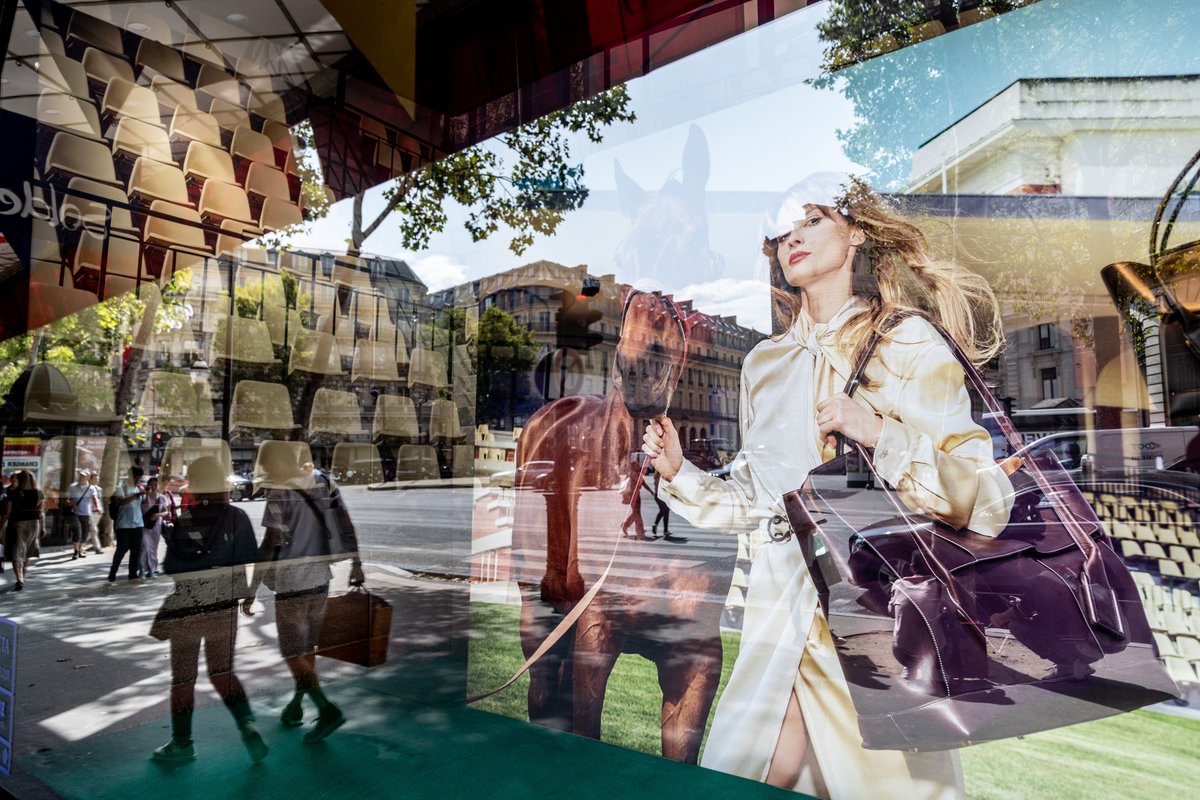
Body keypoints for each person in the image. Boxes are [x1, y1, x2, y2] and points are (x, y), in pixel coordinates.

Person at [641, 174, 1014, 799]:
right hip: (778, 612)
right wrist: (682, 473)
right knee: (743, 768)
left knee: (892, 787)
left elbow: (985, 498)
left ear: (856, 234)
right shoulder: (763, 364)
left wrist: (879, 432)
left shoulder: (908, 342)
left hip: (874, 616)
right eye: (782, 230)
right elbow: (757, 499)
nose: (793, 238)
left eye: (811, 220)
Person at [242, 442, 364, 742]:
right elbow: (346, 523)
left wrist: (251, 589)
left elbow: (270, 543)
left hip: (292, 582)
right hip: (321, 577)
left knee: (291, 651)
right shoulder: (323, 481)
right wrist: (357, 564)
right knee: (307, 648)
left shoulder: (278, 492)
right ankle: (297, 705)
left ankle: (325, 708)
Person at [149, 456, 267, 764]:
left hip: (187, 605)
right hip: (223, 606)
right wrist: (247, 594)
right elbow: (245, 560)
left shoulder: (185, 519)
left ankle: (182, 743)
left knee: (183, 678)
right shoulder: (237, 517)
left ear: (195, 486)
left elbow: (172, 568)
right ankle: (247, 724)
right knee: (223, 671)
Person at [4, 470, 45, 591]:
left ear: (19, 480)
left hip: (17, 524)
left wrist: (1, 525)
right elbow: (40, 512)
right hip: (33, 524)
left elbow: (8, 512)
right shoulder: (39, 493)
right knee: (28, 551)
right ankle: (23, 575)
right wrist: (42, 527)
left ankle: (19, 578)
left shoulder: (13, 493)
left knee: (15, 551)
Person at [108, 466, 145, 583]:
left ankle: (133, 574)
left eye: (139, 477)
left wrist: (148, 494)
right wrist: (136, 495)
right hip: (124, 524)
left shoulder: (139, 489)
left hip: (138, 524)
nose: (138, 479)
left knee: (136, 550)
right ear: (131, 476)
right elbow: (122, 501)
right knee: (122, 549)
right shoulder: (121, 488)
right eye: (137, 477)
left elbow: (145, 504)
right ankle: (113, 571)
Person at [140, 477, 174, 579]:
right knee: (144, 547)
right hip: (144, 524)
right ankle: (142, 569)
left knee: (153, 548)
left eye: (156, 485)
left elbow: (166, 511)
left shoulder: (162, 497)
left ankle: (152, 569)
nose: (154, 487)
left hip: (156, 525)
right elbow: (145, 506)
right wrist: (147, 494)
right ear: (148, 486)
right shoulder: (143, 497)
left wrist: (158, 515)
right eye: (152, 485)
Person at [64, 469, 98, 560]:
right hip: (75, 512)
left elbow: (95, 498)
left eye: (83, 476)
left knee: (84, 533)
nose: (81, 477)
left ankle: (80, 549)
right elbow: (66, 499)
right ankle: (76, 551)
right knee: (77, 532)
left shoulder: (91, 488)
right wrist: (70, 503)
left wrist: (97, 507)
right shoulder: (72, 486)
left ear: (87, 478)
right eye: (80, 476)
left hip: (86, 512)